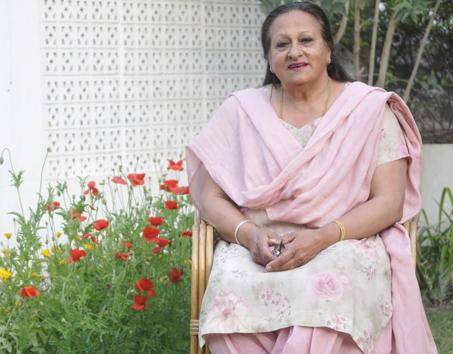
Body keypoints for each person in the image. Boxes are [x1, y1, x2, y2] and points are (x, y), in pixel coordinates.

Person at [185, 2, 438, 354]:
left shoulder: (368, 111)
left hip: (344, 239)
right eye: (281, 44)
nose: (295, 52)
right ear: (268, 58)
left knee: (327, 289)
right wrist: (250, 235)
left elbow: (389, 201)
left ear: (328, 50)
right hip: (260, 246)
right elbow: (209, 196)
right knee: (229, 292)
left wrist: (321, 238)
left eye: (306, 40)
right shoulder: (240, 112)